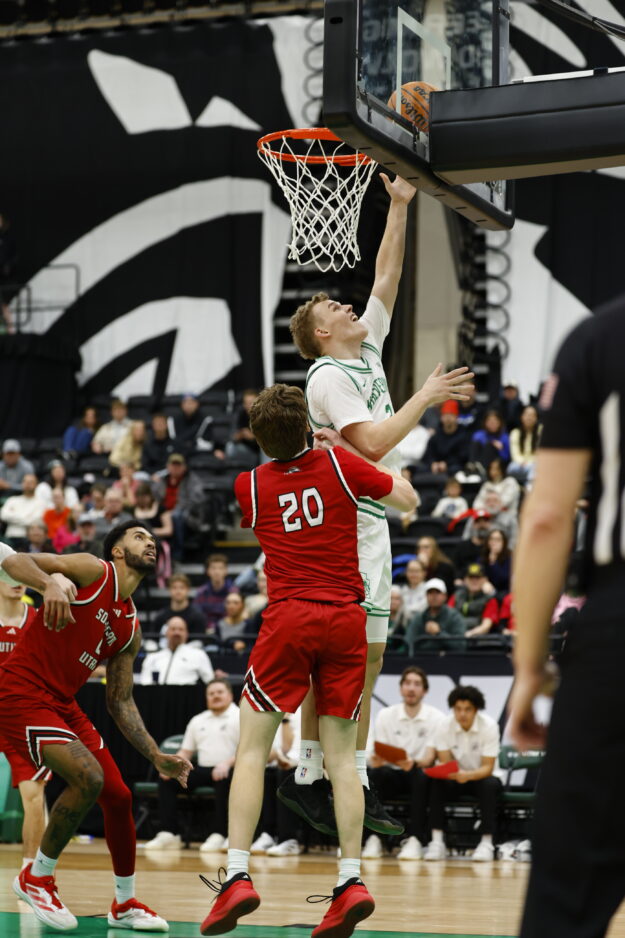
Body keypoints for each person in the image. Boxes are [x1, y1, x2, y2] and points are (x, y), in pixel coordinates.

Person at [289, 171, 473, 839]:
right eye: (332, 308)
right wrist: (424, 396)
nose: (347, 306)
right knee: (341, 659)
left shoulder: (362, 348)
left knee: (369, 660)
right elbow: (368, 444)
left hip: (371, 521)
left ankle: (349, 776)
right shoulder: (328, 375)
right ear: (320, 333)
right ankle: (311, 774)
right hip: (345, 526)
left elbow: (386, 277)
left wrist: (398, 205)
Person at [199, 383, 417, 938]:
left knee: (252, 750)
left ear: (258, 437)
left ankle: (238, 875)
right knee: (343, 760)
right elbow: (408, 501)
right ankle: (350, 881)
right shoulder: (341, 464)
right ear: (307, 427)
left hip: (289, 617)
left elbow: (280, 490)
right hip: (345, 617)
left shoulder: (248, 484)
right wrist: (342, 449)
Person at [0, 520, 192, 931]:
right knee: (87, 776)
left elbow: (119, 700)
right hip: (21, 692)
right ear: (117, 551)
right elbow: (14, 561)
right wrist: (48, 583)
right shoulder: (94, 570)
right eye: (139, 536)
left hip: (63, 703)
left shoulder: (131, 627)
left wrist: (155, 754)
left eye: (153, 538)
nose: (150, 542)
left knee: (119, 796)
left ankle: (124, 904)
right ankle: (36, 877)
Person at [506, 305, 625, 938]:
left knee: (566, 901)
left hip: (617, 629)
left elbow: (549, 517)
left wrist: (530, 665)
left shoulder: (599, 339)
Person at [145, 678, 239, 853]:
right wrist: (171, 767)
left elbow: (247, 750)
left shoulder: (240, 717)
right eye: (211, 693)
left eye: (220, 692)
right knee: (168, 780)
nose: (215, 696)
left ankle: (219, 834)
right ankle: (169, 833)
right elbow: (186, 752)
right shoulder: (198, 720)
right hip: (203, 769)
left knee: (224, 778)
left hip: (230, 769)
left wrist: (226, 763)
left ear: (230, 695)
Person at [0, 543, 49, 872]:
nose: (16, 582)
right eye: (8, 575)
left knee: (34, 795)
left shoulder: (39, 620)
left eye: (21, 576)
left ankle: (30, 872)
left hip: (22, 718)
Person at [365, 667, 444, 859]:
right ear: (401, 688)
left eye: (417, 684)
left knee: (422, 776)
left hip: (417, 772)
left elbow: (430, 758)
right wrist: (377, 759)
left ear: (424, 691)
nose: (411, 688)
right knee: (375, 774)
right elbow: (380, 750)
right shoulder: (385, 715)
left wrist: (413, 763)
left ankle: (415, 839)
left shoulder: (436, 717)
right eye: (407, 683)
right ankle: (375, 838)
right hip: (392, 773)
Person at [424, 685, 501, 862]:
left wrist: (467, 775)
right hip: (455, 777)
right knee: (436, 783)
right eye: (458, 709)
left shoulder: (489, 726)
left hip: (481, 777)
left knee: (489, 784)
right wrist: (455, 773)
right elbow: (445, 762)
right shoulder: (444, 725)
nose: (462, 714)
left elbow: (488, 767)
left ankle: (486, 843)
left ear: (476, 710)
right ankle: (437, 841)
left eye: (467, 709)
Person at [152, 453, 205, 560]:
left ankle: (177, 553)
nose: (175, 468)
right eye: (173, 465)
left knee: (176, 516)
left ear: (184, 467)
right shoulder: (163, 480)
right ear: (168, 467)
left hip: (188, 516)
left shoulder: (192, 480)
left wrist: (174, 511)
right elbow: (154, 497)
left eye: (178, 465)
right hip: (163, 514)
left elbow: (196, 500)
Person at [141, 617, 214, 685]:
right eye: (173, 629)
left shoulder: (199, 655)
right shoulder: (152, 657)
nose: (177, 633)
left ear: (186, 633)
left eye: (181, 629)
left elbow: (210, 681)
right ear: (166, 633)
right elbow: (145, 683)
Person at [405, 579, 466, 653]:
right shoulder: (419, 617)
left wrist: (439, 633)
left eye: (437, 592)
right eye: (430, 593)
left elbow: (460, 645)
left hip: (448, 658)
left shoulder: (454, 617)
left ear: (445, 596)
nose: (434, 596)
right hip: (422, 658)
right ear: (426, 596)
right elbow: (409, 643)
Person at [473, 458, 520, 545]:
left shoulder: (510, 482)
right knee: (472, 520)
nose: (494, 472)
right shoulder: (487, 485)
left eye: (497, 469)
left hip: (506, 516)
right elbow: (477, 505)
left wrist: (488, 508)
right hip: (487, 518)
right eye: (491, 468)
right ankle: (473, 545)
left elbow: (504, 503)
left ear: (502, 469)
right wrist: (485, 514)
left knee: (506, 522)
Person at [449, 564, 500, 638]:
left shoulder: (490, 599)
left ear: (485, 580)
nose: (474, 581)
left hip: (477, 640)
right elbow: (447, 618)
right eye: (471, 577)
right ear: (465, 580)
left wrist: (468, 634)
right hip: (453, 636)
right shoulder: (457, 595)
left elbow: (485, 627)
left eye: (478, 578)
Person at [193, 554, 238, 638]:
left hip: (229, 631)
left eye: (220, 568)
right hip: (206, 632)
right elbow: (198, 615)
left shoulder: (233, 592)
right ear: (207, 571)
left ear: (226, 571)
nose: (217, 572)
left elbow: (236, 615)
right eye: (213, 568)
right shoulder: (201, 592)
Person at [169, 393, 225, 458]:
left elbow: (208, 441)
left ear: (197, 404)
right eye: (186, 403)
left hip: (198, 453)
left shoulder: (205, 420)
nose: (189, 406)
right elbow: (174, 440)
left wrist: (215, 450)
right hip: (179, 452)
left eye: (191, 403)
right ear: (182, 405)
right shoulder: (175, 420)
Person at [153, 573, 206, 641]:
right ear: (169, 590)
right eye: (174, 588)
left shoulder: (197, 616)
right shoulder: (161, 616)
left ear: (188, 590)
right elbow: (153, 639)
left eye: (182, 588)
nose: (178, 591)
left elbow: (199, 641)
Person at [423, 402, 470, 476]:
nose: (448, 418)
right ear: (441, 417)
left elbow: (463, 457)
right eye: (445, 415)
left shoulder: (463, 435)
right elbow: (428, 454)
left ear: (456, 417)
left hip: (455, 468)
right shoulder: (436, 435)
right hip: (435, 468)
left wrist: (446, 463)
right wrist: (433, 463)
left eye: (451, 415)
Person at [0, 473, 45, 543]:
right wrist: (26, 517)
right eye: (25, 482)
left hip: (28, 539)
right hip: (10, 537)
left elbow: (34, 521)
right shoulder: (12, 500)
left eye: (31, 482)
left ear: (36, 485)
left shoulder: (41, 503)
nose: (28, 484)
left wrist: (13, 516)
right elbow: (3, 515)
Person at [508, 404, 542, 484]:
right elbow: (515, 454)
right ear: (521, 417)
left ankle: (528, 488)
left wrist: (532, 463)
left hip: (536, 464)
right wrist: (522, 462)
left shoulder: (540, 431)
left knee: (533, 469)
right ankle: (531, 489)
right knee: (512, 468)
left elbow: (542, 452)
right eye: (527, 415)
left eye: (532, 415)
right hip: (518, 465)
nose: (529, 418)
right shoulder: (515, 433)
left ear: (536, 418)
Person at [226, 389, 260, 465]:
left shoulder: (263, 416)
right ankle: (231, 469)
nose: (249, 405)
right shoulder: (240, 415)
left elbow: (268, 439)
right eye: (246, 403)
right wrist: (240, 435)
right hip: (246, 448)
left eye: (251, 402)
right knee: (230, 447)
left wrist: (253, 437)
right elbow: (232, 436)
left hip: (260, 449)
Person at [481, 528, 512, 594]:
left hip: (504, 593)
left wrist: (493, 562)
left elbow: (503, 578)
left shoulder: (509, 559)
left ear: (504, 543)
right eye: (491, 539)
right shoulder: (483, 557)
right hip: (485, 592)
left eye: (498, 540)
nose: (494, 542)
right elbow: (478, 572)